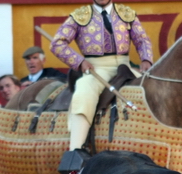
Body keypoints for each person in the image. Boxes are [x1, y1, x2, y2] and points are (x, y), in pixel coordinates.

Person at [51, 0, 153, 151]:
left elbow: (142, 39)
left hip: (126, 68)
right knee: (84, 91)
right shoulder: (79, 16)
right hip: (97, 69)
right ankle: (76, 151)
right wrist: (79, 62)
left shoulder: (127, 13)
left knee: (151, 87)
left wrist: (146, 59)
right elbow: (57, 43)